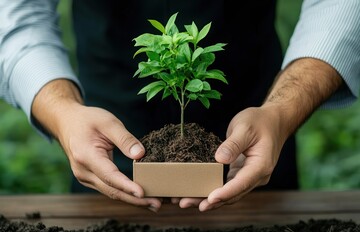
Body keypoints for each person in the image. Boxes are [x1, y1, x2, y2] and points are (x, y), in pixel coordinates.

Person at [0, 0, 359, 213]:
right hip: (104, 138)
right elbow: (17, 13)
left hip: (254, 139)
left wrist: (282, 112)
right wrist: (63, 113)